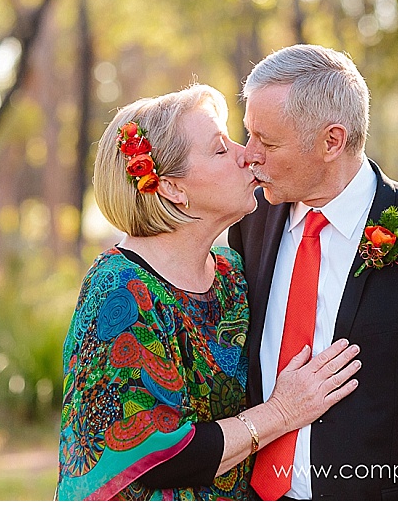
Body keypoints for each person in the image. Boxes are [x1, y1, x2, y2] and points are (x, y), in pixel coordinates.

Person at [58, 87, 362, 500]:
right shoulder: (120, 289)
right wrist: (281, 412)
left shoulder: (234, 275)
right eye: (221, 149)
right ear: (171, 189)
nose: (247, 155)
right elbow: (151, 453)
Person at [230, 45, 398, 499]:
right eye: (249, 134)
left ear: (332, 141)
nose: (249, 155)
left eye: (268, 143)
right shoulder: (249, 220)